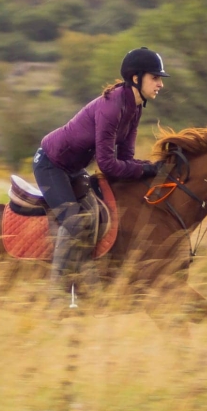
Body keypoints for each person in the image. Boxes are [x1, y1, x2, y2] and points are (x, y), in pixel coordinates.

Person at [33, 46, 169, 309]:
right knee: (74, 223)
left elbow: (126, 157)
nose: (160, 84)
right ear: (136, 78)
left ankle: (89, 288)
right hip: (51, 165)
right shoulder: (112, 107)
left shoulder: (135, 107)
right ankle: (58, 299)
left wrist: (153, 167)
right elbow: (107, 164)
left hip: (73, 170)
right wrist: (146, 170)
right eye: (155, 78)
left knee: (98, 215)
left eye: (160, 78)